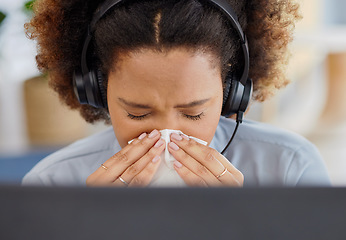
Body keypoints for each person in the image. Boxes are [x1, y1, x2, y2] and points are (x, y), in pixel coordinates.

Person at [22, 0, 330, 187]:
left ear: (232, 92)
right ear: (96, 91)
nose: (167, 133)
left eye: (194, 112)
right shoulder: (51, 182)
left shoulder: (292, 168)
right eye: (137, 113)